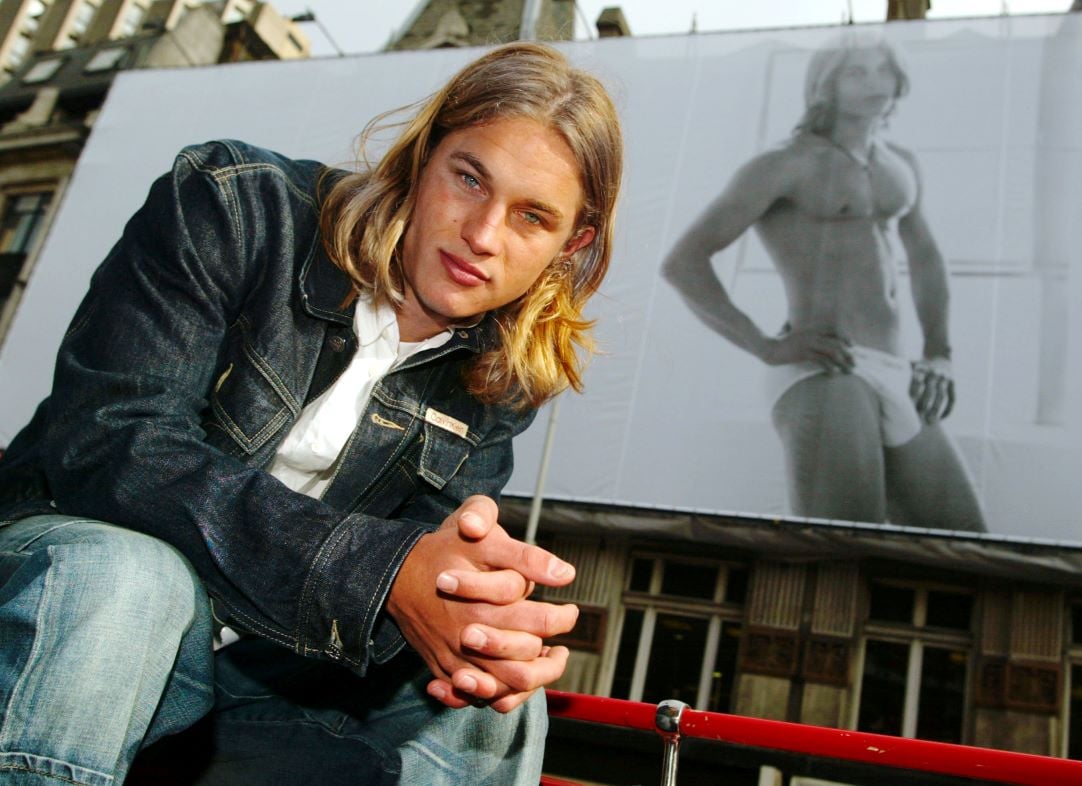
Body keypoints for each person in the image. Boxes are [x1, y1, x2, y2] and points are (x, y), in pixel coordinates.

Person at [0, 42, 622, 785]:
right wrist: (381, 571)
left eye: (531, 217)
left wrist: (477, 621)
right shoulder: (236, 205)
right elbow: (110, 442)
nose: (483, 236)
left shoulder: (501, 384)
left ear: (569, 245)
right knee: (136, 580)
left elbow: (416, 585)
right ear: (422, 159)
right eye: (468, 178)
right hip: (62, 586)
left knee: (500, 704)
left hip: (255, 669)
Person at [662, 33, 984, 532]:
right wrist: (765, 346)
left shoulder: (901, 163)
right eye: (857, 71)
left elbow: (926, 259)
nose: (876, 82)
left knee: (967, 542)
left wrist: (939, 352)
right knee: (842, 548)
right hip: (827, 369)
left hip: (898, 368)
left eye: (884, 70)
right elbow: (684, 262)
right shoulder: (784, 164)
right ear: (825, 84)